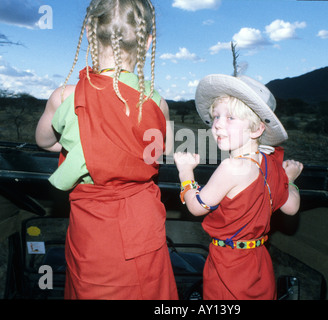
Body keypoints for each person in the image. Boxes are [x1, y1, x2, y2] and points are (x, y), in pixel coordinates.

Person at [35, 0, 178, 300]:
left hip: (90, 232)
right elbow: (154, 156)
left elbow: (44, 142)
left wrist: (85, 149)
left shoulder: (64, 98)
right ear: (147, 40)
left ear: (90, 32)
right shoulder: (157, 104)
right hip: (143, 229)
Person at [174, 74, 303, 300]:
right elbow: (291, 207)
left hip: (228, 265)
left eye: (230, 117)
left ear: (256, 130)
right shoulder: (272, 165)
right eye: (216, 116)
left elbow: (196, 207)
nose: (217, 124)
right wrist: (290, 178)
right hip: (259, 262)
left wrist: (186, 172)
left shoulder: (231, 167)